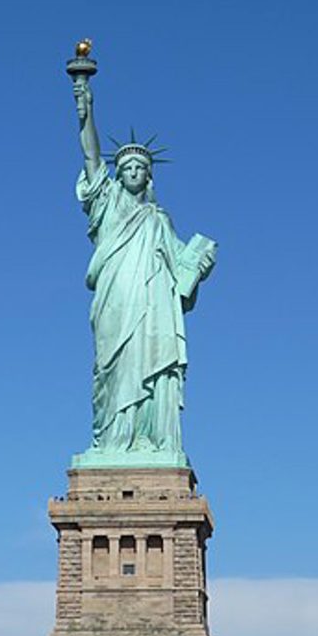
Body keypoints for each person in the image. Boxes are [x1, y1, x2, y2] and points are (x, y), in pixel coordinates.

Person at [72, 76, 216, 462]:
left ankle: (150, 439)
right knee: (112, 368)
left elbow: (182, 267)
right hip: (116, 299)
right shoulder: (107, 203)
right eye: (127, 167)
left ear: (148, 175)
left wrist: (201, 263)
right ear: (118, 174)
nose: (134, 171)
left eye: (140, 167)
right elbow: (90, 157)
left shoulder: (158, 219)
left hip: (153, 308)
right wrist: (85, 109)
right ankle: (112, 442)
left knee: (152, 363)